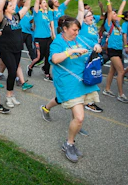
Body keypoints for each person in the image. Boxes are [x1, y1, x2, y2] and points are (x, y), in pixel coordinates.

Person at [47, 15, 102, 162]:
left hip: (83, 81)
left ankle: (74, 133)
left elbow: (97, 45)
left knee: (77, 117)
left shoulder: (81, 38)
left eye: (78, 30)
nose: (77, 32)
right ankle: (69, 144)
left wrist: (97, 47)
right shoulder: (57, 42)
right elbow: (54, 59)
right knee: (79, 117)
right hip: (68, 82)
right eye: (74, 30)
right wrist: (70, 52)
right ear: (64, 29)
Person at [0, 0, 32, 108]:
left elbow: (26, 7)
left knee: (13, 71)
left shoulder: (16, 17)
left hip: (17, 49)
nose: (14, 7)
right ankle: (8, 96)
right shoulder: (2, 19)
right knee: (12, 71)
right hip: (6, 49)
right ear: (6, 9)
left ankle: (11, 95)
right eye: (11, 6)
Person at [100, 0, 128, 103]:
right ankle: (121, 94)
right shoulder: (109, 24)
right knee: (121, 71)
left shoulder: (117, 24)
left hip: (118, 49)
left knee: (112, 71)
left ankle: (107, 89)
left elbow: (121, 10)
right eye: (113, 13)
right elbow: (109, 10)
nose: (116, 14)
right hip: (112, 50)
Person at [27, 0, 55, 82]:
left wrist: (53, 35)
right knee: (39, 57)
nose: (45, 4)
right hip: (39, 38)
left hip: (48, 38)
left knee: (48, 56)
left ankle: (47, 73)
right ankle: (30, 66)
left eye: (45, 3)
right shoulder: (37, 13)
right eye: (43, 3)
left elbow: (51, 25)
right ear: (39, 5)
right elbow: (36, 2)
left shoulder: (48, 14)